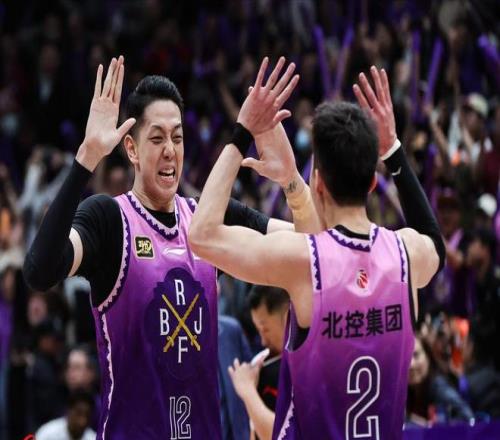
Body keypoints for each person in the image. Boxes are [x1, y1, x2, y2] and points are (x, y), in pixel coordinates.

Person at [23, 56, 293, 439]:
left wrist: (293, 183)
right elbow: (39, 271)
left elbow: (310, 245)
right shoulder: (108, 219)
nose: (170, 150)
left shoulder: (207, 221)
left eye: (177, 138)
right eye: (157, 138)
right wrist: (87, 158)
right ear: (131, 150)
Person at [189, 61, 446, 438]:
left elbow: (202, 234)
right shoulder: (408, 254)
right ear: (372, 183)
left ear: (319, 182)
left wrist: (242, 131)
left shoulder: (302, 260)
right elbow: (434, 240)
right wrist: (392, 148)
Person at [228, 286, 289, 440]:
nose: (263, 341)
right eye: (258, 331)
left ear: (288, 318)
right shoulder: (261, 362)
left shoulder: (314, 364)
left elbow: (281, 435)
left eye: (265, 329)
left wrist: (248, 391)